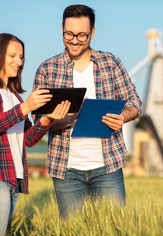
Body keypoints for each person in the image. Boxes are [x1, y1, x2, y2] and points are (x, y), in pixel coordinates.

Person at [33, 4, 142, 219]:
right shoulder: (47, 69)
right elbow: (37, 121)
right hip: (66, 171)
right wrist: (56, 119)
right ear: (61, 28)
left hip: (107, 167)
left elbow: (135, 102)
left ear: (92, 33)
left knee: (113, 230)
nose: (74, 40)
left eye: (81, 35)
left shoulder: (111, 63)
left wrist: (123, 117)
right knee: (73, 233)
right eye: (69, 34)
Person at [0, 33, 71, 236]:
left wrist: (46, 120)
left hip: (13, 181)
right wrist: (26, 108)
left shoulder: (14, 97)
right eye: (12, 56)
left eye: (21, 57)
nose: (19, 62)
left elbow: (29, 140)